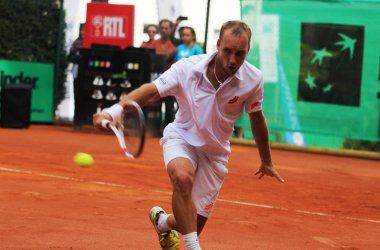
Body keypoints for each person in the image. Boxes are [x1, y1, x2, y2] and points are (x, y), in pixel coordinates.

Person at [93, 20, 284, 250]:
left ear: (248, 51)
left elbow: (256, 118)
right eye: (227, 51)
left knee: (189, 223)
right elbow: (151, 91)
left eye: (240, 54)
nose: (232, 60)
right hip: (181, 137)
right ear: (217, 45)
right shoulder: (187, 68)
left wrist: (266, 160)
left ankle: (162, 222)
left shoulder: (253, 80)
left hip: (215, 154)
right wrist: (112, 111)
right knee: (182, 179)